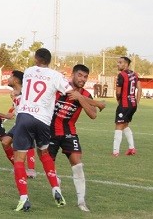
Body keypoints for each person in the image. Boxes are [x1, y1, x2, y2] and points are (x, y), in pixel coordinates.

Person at [9, 48, 73, 212]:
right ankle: (56, 190)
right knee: (44, 153)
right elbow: (69, 91)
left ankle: (24, 198)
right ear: (49, 61)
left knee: (19, 158)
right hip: (43, 120)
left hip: (24, 116)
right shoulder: (55, 75)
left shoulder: (29, 71)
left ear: (36, 58)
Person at [49, 64, 106, 212]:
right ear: (72, 74)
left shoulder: (86, 95)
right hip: (50, 131)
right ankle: (56, 182)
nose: (83, 79)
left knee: (78, 165)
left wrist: (80, 98)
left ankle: (81, 202)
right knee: (48, 165)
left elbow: (93, 114)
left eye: (85, 77)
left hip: (69, 132)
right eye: (80, 75)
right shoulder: (60, 87)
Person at [3, 70, 37, 178]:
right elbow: (15, 106)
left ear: (16, 80)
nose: (8, 79)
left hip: (28, 121)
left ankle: (30, 170)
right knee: (5, 142)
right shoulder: (13, 93)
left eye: (10, 77)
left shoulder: (26, 91)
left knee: (27, 144)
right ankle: (19, 167)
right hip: (18, 122)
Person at [112, 56, 141, 156]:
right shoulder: (135, 74)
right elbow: (139, 89)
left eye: (120, 62)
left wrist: (118, 100)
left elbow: (118, 92)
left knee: (118, 126)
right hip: (133, 104)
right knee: (125, 125)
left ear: (126, 64)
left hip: (124, 104)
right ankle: (131, 148)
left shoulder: (121, 75)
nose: (118, 64)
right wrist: (137, 102)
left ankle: (115, 152)